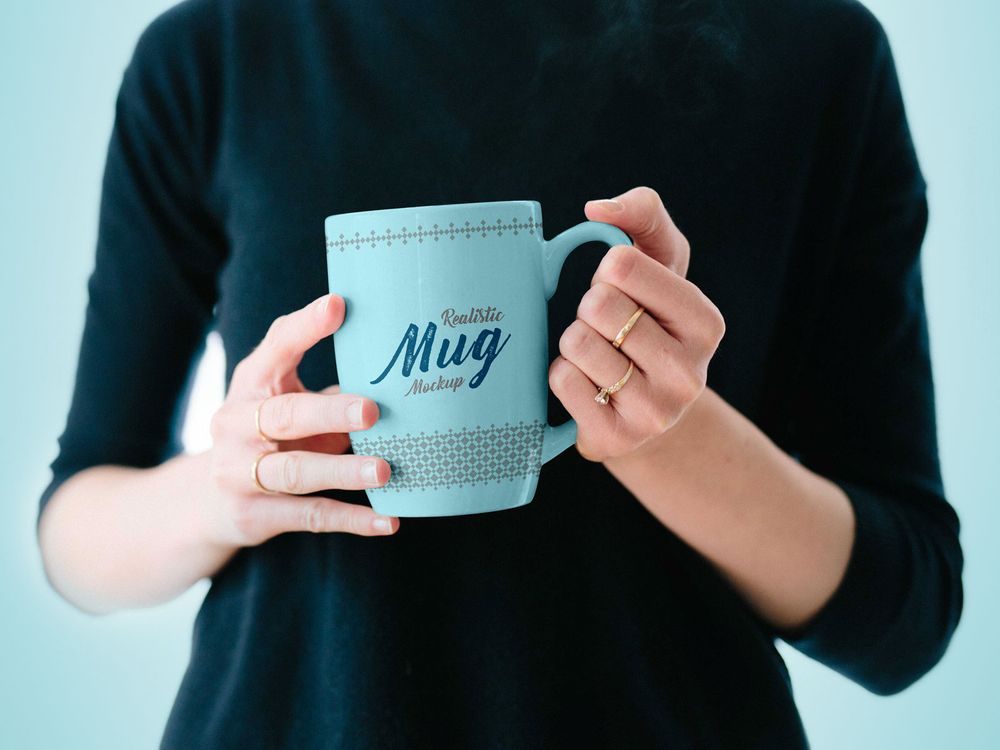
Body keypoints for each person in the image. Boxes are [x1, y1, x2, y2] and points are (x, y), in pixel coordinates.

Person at [36, 0, 963, 747]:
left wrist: (668, 436)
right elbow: (74, 530)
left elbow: (903, 617)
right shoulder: (212, 54)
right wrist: (227, 488)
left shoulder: (818, 51)